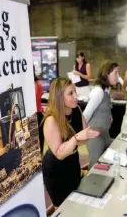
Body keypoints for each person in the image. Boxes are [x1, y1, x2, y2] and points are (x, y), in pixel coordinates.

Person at [41, 78, 99, 207]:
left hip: (72, 162)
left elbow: (84, 139)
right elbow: (59, 154)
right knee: (63, 207)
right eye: (70, 93)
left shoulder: (76, 110)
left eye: (75, 92)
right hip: (56, 169)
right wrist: (76, 138)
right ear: (59, 97)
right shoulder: (51, 120)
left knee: (74, 202)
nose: (76, 96)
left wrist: (87, 135)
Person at [83, 61, 119, 169]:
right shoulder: (98, 91)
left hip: (104, 134)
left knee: (104, 165)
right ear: (106, 74)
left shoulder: (106, 90)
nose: (118, 76)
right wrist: (84, 135)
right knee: (94, 167)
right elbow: (85, 115)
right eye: (116, 73)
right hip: (95, 136)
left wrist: (109, 117)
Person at [34, 70, 44, 154]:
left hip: (33, 116)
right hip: (39, 115)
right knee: (41, 141)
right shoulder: (39, 84)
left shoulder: (28, 86)